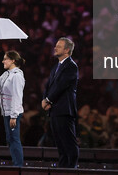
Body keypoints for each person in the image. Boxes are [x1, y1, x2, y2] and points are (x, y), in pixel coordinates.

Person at [42, 37, 79, 168]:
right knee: (60, 144)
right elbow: (49, 85)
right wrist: (44, 98)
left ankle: (71, 169)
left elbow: (61, 86)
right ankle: (63, 169)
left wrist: (48, 100)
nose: (55, 48)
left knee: (69, 142)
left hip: (64, 110)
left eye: (58, 46)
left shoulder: (71, 66)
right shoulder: (56, 67)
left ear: (67, 50)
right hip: (55, 110)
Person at [0, 50, 26, 167]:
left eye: (5, 59)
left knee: (14, 139)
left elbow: (17, 96)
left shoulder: (16, 76)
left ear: (13, 60)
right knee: (10, 139)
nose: (3, 61)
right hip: (6, 112)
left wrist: (14, 116)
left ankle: (18, 166)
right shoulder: (6, 74)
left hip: (12, 113)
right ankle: (16, 163)